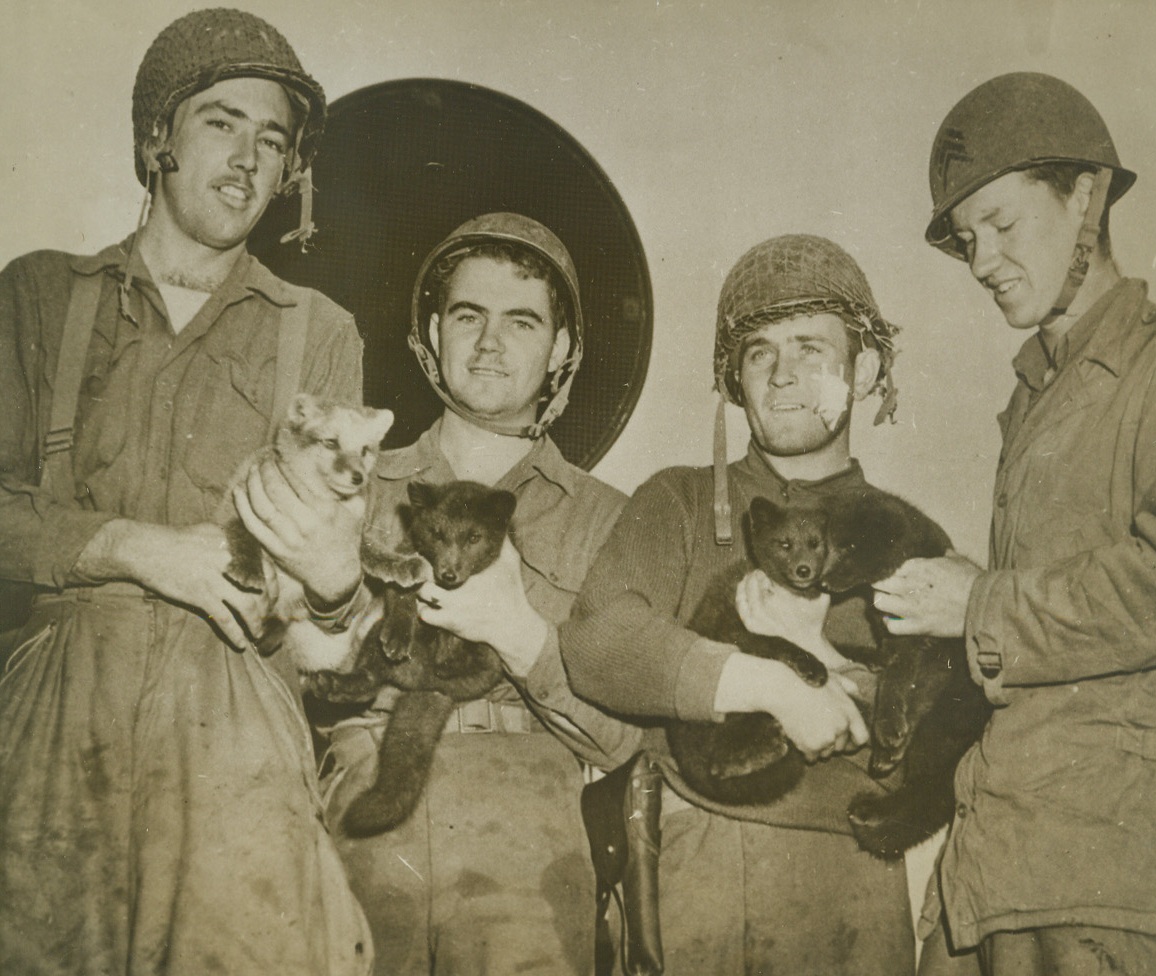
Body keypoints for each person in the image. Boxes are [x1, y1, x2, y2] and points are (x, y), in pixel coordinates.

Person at [0, 9, 375, 975]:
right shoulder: (39, 298)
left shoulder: (320, 333)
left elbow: (327, 604)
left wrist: (335, 582)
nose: (250, 158)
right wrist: (131, 545)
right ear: (156, 137)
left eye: (273, 140)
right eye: (221, 121)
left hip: (237, 726)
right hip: (55, 722)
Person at [873, 72, 1156, 975]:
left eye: (1002, 225)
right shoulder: (1033, 396)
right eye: (967, 240)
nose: (981, 262)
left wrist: (978, 604)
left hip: (1117, 884)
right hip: (996, 875)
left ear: (1087, 196)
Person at [251, 212, 642, 975]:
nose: (491, 342)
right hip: (359, 826)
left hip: (529, 850)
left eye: (522, 321)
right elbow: (264, 680)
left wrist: (517, 632)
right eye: (469, 316)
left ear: (561, 347)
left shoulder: (610, 520)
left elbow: (620, 737)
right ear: (431, 333)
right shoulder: (349, 485)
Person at [561, 233, 919, 975]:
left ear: (866, 367)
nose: (784, 375)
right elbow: (599, 636)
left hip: (851, 880)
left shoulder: (901, 537)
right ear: (735, 379)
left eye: (811, 348)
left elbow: (942, 703)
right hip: (700, 868)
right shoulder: (680, 502)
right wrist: (765, 685)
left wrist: (835, 679)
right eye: (760, 352)